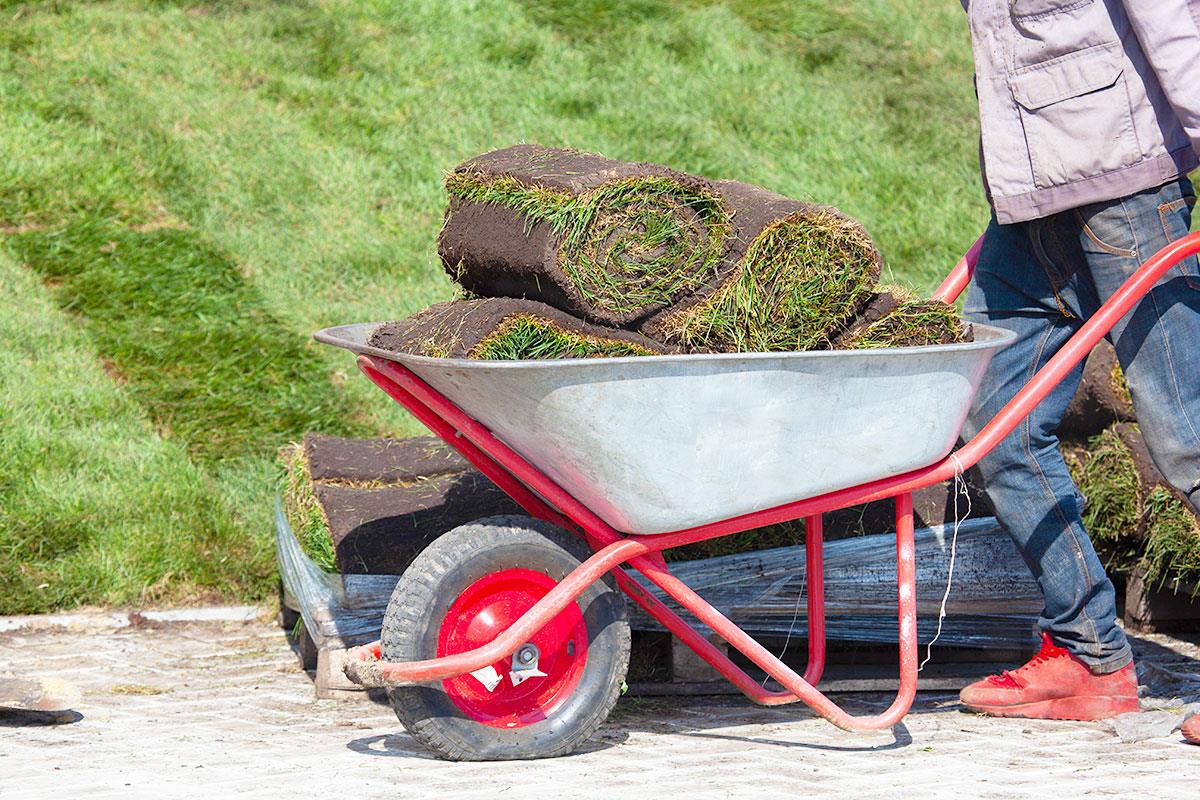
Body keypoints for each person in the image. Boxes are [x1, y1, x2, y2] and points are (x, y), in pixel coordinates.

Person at [953, 1, 1200, 738]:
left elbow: (1175, 16)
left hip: (1126, 189)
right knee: (996, 424)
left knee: (1189, 435)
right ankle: (1090, 653)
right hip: (1029, 204)